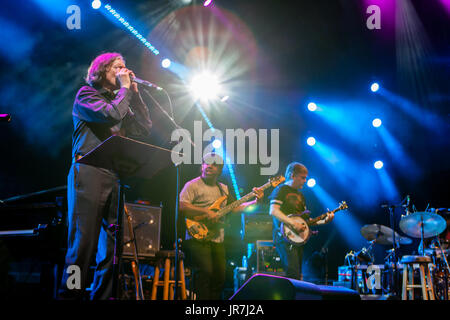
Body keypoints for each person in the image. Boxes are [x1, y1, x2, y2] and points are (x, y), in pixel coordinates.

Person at [59, 52, 152, 300]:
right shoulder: (87, 95)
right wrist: (124, 92)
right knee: (82, 245)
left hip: (113, 175)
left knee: (111, 249)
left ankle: (102, 297)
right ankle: (70, 294)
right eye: (118, 67)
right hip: (88, 172)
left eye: (125, 66)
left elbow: (143, 128)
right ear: (101, 71)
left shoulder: (120, 101)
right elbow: (110, 115)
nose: (124, 70)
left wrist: (135, 93)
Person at [179, 153, 264, 300]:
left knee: (220, 276)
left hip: (217, 238)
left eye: (214, 164)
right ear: (202, 166)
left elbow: (235, 207)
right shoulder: (192, 185)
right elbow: (182, 206)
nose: (209, 166)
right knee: (205, 273)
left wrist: (255, 202)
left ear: (220, 169)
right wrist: (205, 211)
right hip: (197, 236)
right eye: (206, 163)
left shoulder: (223, 188)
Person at [269, 162, 334, 280]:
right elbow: (273, 211)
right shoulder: (280, 190)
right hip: (284, 237)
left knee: (298, 276)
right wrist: (293, 223)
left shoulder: (301, 196)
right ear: (292, 175)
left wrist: (324, 221)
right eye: (302, 177)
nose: (305, 181)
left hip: (297, 239)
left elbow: (306, 222)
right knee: (292, 274)